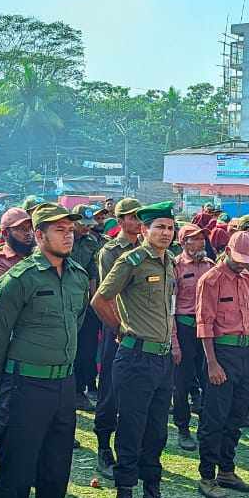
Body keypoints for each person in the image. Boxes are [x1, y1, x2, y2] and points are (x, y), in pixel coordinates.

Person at [0, 203, 90, 498]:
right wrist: (1, 382)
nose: (67, 234)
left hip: (63, 385)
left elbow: (75, 324)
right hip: (25, 385)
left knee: (56, 467)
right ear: (39, 235)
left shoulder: (78, 276)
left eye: (70, 228)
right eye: (58, 229)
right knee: (15, 471)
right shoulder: (21, 277)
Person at [90, 201, 187, 498]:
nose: (165, 233)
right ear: (144, 230)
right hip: (134, 359)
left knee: (157, 433)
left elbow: (169, 309)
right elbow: (101, 299)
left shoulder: (170, 262)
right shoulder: (130, 260)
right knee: (130, 434)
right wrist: (120, 330)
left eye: (170, 227)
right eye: (158, 227)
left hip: (161, 361)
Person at [194, 231, 249, 498]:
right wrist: (212, 364)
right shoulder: (211, 280)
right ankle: (207, 475)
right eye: (239, 257)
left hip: (244, 352)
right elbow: (204, 324)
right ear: (228, 251)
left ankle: (227, 469)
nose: (243, 263)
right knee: (214, 417)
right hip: (221, 352)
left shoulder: (246, 279)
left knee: (238, 414)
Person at [92, 198, 144, 479]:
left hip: (143, 330)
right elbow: (106, 294)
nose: (137, 222)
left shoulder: (147, 249)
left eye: (140, 217)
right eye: (132, 217)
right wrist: (118, 328)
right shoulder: (110, 252)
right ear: (120, 220)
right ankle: (103, 446)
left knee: (135, 393)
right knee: (110, 391)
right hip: (119, 330)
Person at [170, 222, 213, 451]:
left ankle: (206, 425)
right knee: (182, 382)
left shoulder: (210, 266)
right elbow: (171, 307)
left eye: (201, 238)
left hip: (206, 330)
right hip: (184, 328)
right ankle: (183, 428)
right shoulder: (175, 267)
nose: (199, 242)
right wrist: (174, 342)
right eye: (194, 239)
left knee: (208, 379)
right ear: (183, 243)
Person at [69, 207, 105, 410]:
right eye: (83, 224)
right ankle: (71, 391)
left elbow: (93, 273)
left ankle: (81, 389)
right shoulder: (63, 241)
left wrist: (92, 301)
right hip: (67, 302)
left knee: (87, 350)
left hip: (85, 304)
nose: (86, 229)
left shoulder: (91, 242)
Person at [0, 207, 32, 295]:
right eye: (22, 229)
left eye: (30, 228)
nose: (28, 233)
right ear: (5, 234)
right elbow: (4, 299)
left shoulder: (37, 255)